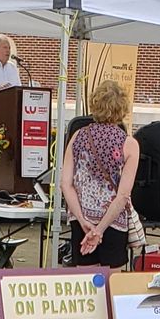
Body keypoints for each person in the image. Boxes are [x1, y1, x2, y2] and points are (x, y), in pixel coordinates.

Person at [62, 81, 139, 268]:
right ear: (123, 108)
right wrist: (99, 230)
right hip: (113, 222)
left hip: (82, 221)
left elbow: (66, 184)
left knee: (85, 282)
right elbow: (123, 195)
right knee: (113, 283)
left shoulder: (77, 136)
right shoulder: (129, 145)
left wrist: (82, 220)